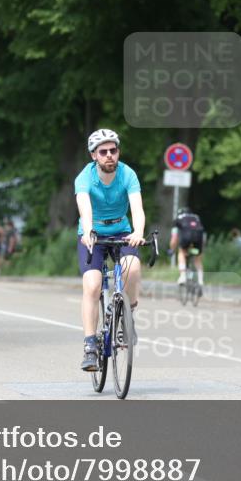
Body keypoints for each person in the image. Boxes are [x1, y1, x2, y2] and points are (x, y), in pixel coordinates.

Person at [76, 128, 145, 372]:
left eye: (113, 150)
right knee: (93, 284)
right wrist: (87, 232)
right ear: (94, 155)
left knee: (133, 268)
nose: (109, 155)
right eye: (103, 151)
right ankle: (90, 345)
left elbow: (137, 208)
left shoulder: (128, 174)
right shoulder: (85, 178)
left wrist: (138, 232)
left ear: (118, 152)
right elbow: (85, 208)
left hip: (121, 231)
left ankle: (128, 318)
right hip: (92, 234)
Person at [170, 207, 206, 291]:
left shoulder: (179, 219)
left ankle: (183, 276)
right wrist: (201, 249)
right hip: (198, 238)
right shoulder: (196, 218)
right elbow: (202, 232)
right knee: (198, 260)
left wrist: (172, 249)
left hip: (186, 237)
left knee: (181, 252)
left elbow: (174, 239)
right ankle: (200, 281)